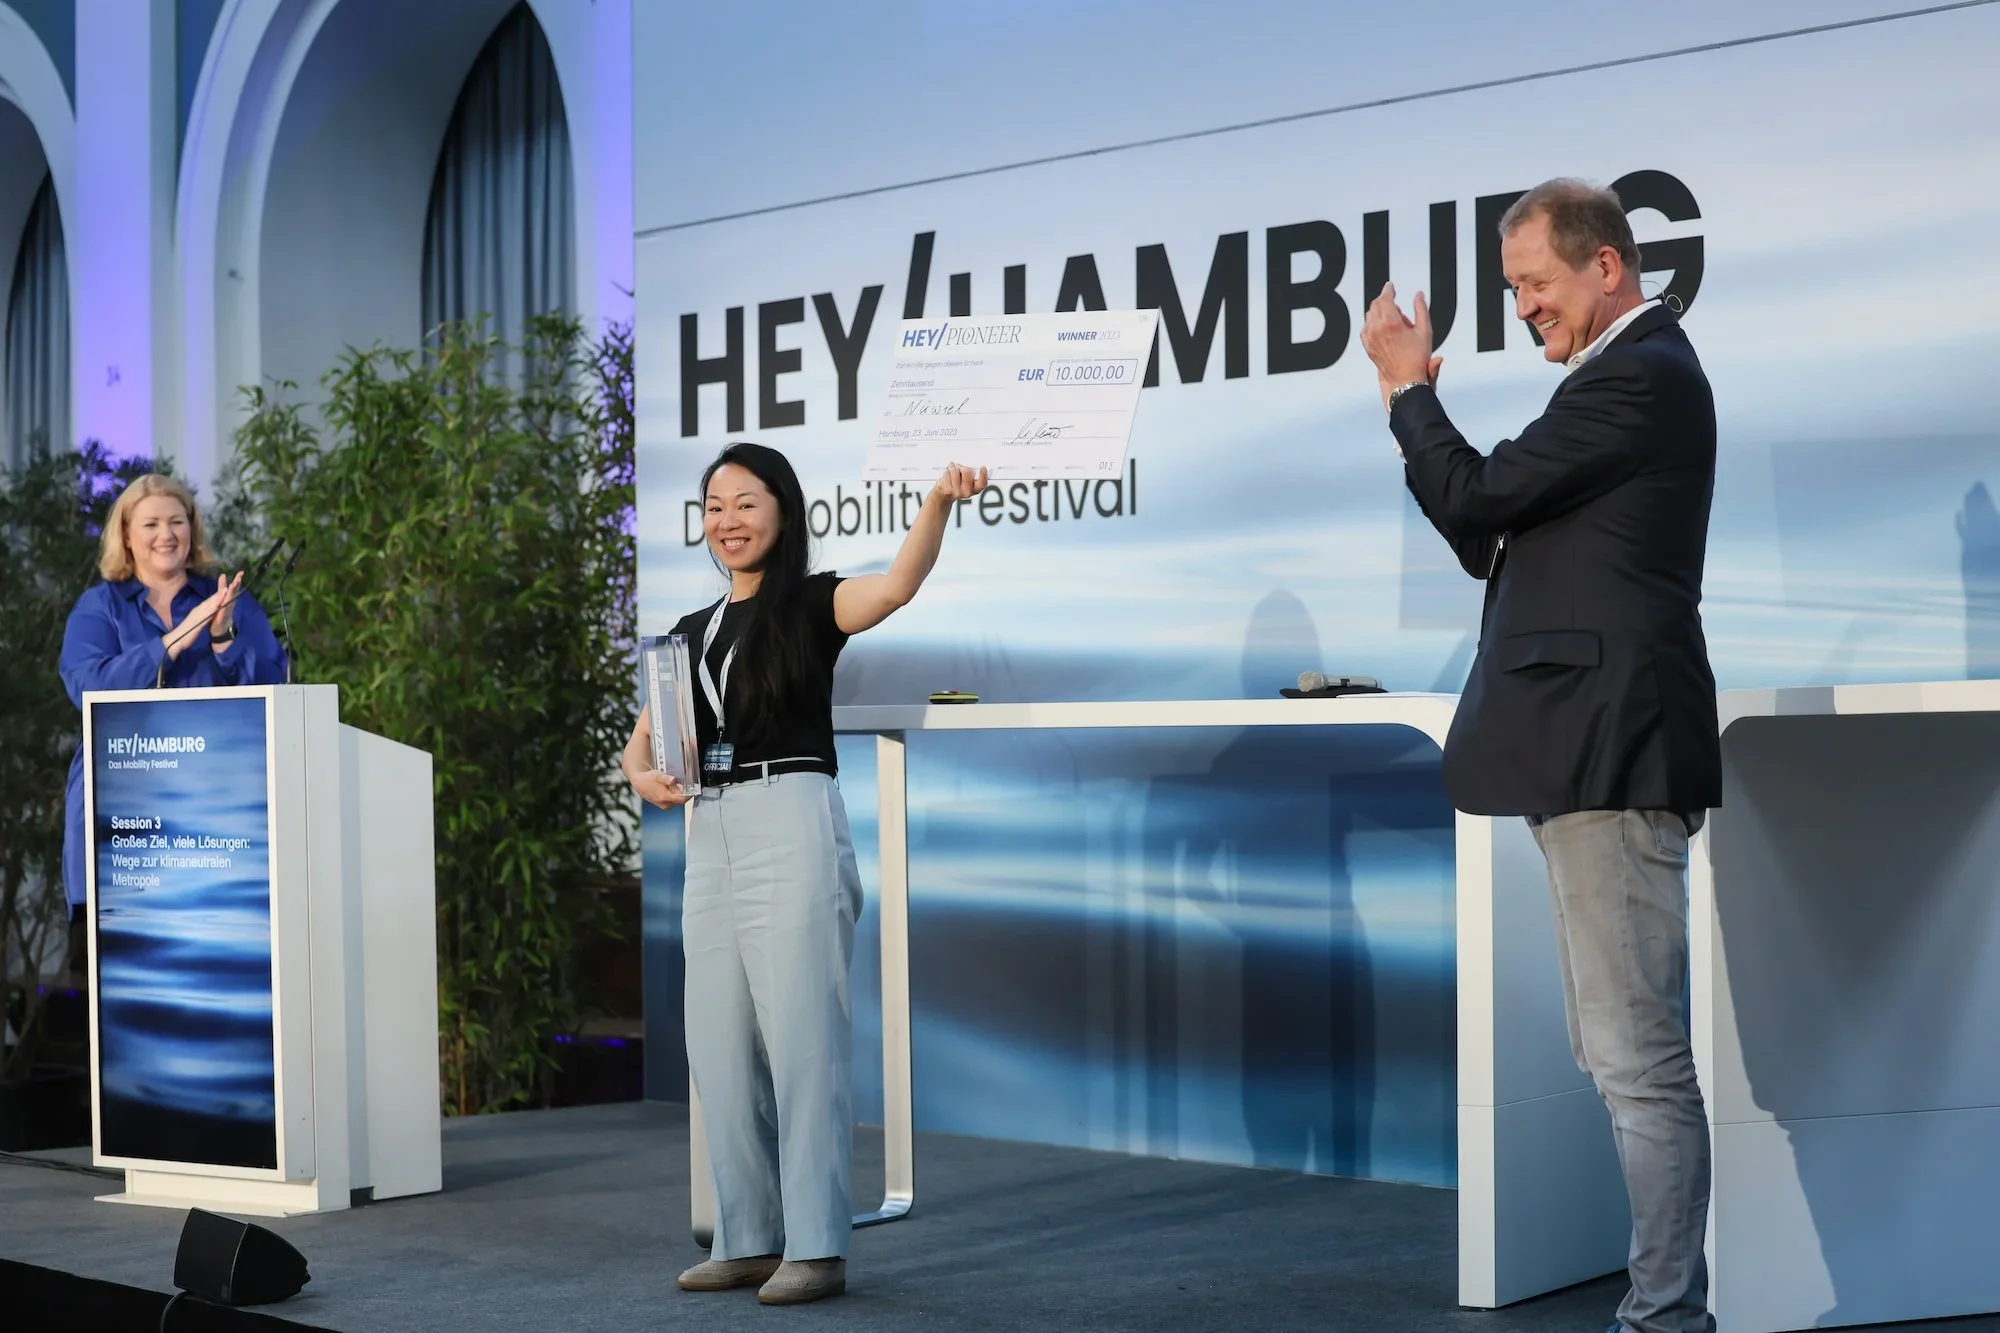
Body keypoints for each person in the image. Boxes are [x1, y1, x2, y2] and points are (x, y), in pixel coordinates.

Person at [1359, 178, 1721, 1333]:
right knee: (1614, 1048)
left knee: (1634, 1056)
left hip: (1611, 748)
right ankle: (1662, 1307)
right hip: (1583, 751)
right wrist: (1422, 419)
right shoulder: (1613, 386)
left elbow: (1474, 493)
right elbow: (1483, 532)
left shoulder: (1636, 375)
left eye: (1533, 284)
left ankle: (1665, 1316)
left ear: (1605, 267)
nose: (1521, 307)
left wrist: (1407, 389)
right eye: (1513, 287)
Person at [623, 442, 987, 1307]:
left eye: (745, 502)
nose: (727, 521)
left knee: (802, 1043)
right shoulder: (690, 631)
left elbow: (896, 585)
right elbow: (640, 744)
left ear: (782, 510)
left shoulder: (814, 603)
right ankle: (748, 1238)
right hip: (708, 831)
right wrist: (643, 775)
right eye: (714, 506)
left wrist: (938, 501)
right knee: (717, 1043)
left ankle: (817, 1245)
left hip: (790, 814)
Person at [58, 474, 289, 924]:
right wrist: (173, 640)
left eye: (177, 522)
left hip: (215, 815)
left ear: (192, 529)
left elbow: (272, 690)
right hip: (123, 811)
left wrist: (222, 634)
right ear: (126, 534)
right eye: (151, 525)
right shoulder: (99, 606)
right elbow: (89, 689)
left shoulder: (228, 600)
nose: (166, 535)